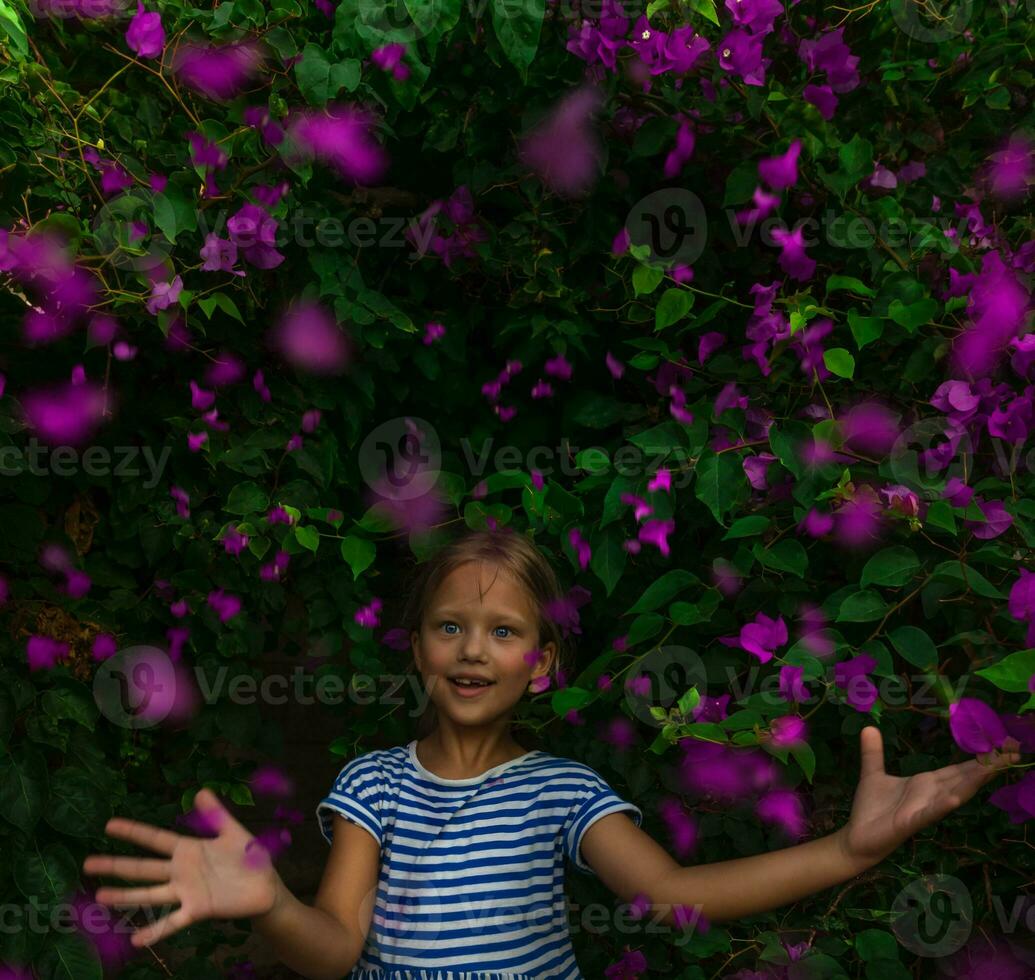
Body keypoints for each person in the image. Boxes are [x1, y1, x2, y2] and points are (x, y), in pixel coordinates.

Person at [82, 527, 1021, 980]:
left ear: (540, 664)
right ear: (416, 648)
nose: (472, 649)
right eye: (449, 626)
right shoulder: (371, 785)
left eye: (501, 630)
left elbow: (673, 897)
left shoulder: (561, 791)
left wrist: (851, 852)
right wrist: (274, 902)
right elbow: (333, 952)